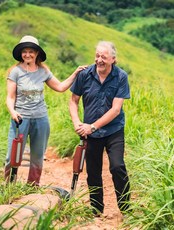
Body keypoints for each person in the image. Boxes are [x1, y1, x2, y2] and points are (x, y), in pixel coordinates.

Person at [4, 35, 87, 186]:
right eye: (24, 51)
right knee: (13, 155)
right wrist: (13, 112)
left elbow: (60, 87)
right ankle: (8, 186)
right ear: (21, 54)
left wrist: (75, 73)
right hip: (20, 118)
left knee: (37, 156)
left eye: (31, 51)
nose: (27, 55)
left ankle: (32, 187)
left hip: (41, 118)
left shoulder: (43, 71)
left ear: (37, 53)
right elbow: (10, 97)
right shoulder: (15, 72)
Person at [69, 41, 130, 216]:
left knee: (117, 166)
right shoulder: (85, 74)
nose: (99, 60)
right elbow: (73, 100)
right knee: (93, 172)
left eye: (104, 56)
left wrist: (93, 127)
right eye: (97, 55)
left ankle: (126, 209)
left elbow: (116, 109)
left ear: (113, 59)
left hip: (113, 130)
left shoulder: (121, 77)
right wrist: (77, 123)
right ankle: (96, 210)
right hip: (89, 132)